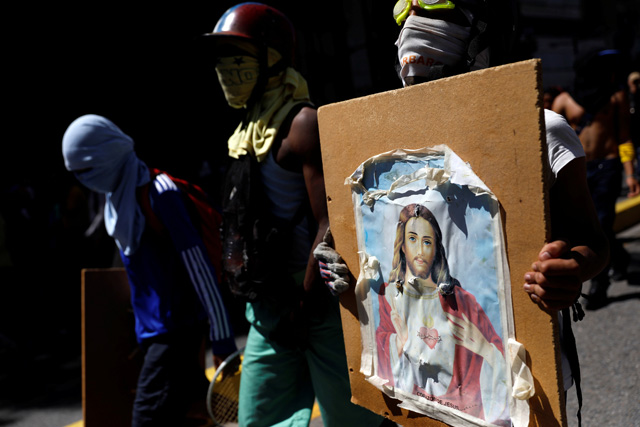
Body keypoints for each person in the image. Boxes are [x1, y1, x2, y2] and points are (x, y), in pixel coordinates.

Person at [315, 1, 609, 424]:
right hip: (419, 399)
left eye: (436, 6)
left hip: (515, 399)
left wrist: (569, 271)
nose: (414, 22)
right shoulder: (376, 144)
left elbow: (594, 243)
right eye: (405, 10)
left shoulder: (540, 129)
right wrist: (340, 260)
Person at [199, 4, 392, 427]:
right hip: (268, 310)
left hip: (313, 305)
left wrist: (303, 305)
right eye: (221, 60)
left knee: (354, 419)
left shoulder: (303, 123)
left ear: (272, 58)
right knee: (258, 418)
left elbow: (329, 222)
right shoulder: (246, 130)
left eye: (237, 57)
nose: (226, 70)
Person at [61, 114, 237, 427]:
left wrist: (223, 338)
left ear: (107, 155)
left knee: (146, 419)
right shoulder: (116, 198)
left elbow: (200, 270)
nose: (83, 180)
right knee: (189, 417)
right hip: (152, 332)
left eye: (87, 169)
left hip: (174, 334)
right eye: (76, 174)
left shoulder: (161, 194)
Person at [376, 204, 509, 425]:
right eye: (412, 239)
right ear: (401, 245)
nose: (420, 251)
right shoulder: (389, 298)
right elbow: (377, 361)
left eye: (427, 242)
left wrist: (486, 350)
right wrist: (397, 344)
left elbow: (502, 359)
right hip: (417, 417)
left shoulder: (463, 302)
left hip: (468, 416)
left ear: (437, 248)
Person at [551, 49, 639, 309]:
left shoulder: (615, 97)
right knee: (596, 226)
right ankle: (619, 258)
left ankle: (600, 286)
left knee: (600, 222)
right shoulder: (564, 101)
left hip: (607, 168)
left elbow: (623, 137)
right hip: (577, 170)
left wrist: (631, 174)